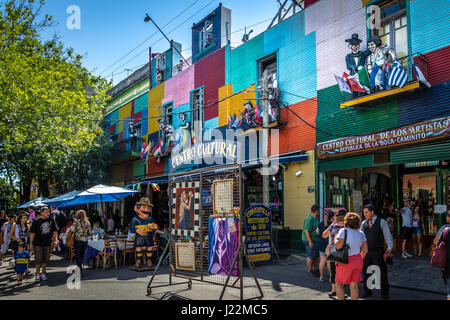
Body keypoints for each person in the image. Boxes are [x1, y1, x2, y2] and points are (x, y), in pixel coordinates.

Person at [360, 204, 394, 299]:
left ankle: (384, 292)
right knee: (366, 272)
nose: (365, 215)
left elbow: (388, 236)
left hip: (378, 251)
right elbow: (360, 237)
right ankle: (367, 291)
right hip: (366, 252)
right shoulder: (364, 223)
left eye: (366, 212)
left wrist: (389, 248)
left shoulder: (381, 222)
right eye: (364, 213)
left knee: (381, 272)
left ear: (372, 212)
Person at [334, 212, 368, 300]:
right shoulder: (361, 233)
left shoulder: (343, 231)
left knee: (339, 283)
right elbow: (365, 250)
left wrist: (335, 238)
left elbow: (338, 246)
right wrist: (359, 258)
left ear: (346, 222)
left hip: (345, 260)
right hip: (357, 260)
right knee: (354, 286)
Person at [130, 197, 162, 269]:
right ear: (138, 209)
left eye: (148, 208)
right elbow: (131, 228)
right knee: (138, 247)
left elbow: (155, 227)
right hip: (139, 237)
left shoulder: (151, 219)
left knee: (149, 247)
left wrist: (153, 227)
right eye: (144, 207)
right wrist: (137, 230)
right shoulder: (135, 219)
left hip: (148, 236)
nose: (146, 210)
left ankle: (149, 260)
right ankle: (139, 260)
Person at [29, 206, 58, 282]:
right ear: (41, 213)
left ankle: (43, 273)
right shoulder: (36, 221)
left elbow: (54, 231)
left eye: (49, 212)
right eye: (46, 212)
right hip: (38, 243)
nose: (48, 213)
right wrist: (31, 244)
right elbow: (32, 234)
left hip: (47, 243)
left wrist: (56, 240)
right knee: (38, 259)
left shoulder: (51, 220)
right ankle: (37, 274)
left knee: (46, 259)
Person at [322, 209, 346, 297]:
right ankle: (342, 291)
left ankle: (333, 289)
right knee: (343, 272)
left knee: (333, 271)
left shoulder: (333, 225)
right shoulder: (347, 226)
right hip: (344, 251)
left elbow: (324, 235)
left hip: (333, 251)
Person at [68, 210, 92, 276]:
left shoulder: (76, 222)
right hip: (85, 241)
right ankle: (80, 269)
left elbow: (72, 230)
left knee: (78, 257)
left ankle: (79, 272)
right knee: (81, 256)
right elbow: (90, 232)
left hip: (78, 240)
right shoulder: (87, 222)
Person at [302, 205, 321, 277]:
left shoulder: (316, 218)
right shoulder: (309, 219)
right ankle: (309, 271)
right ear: (316, 211)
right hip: (309, 240)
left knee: (316, 256)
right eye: (319, 210)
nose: (319, 211)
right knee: (310, 256)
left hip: (315, 239)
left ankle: (316, 270)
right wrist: (310, 241)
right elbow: (306, 230)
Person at [316, 210, 334, 282]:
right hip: (328, 245)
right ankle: (330, 277)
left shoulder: (320, 224)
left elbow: (317, 232)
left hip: (321, 244)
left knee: (322, 260)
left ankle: (321, 277)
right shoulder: (332, 225)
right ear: (332, 217)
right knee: (329, 261)